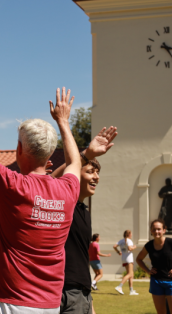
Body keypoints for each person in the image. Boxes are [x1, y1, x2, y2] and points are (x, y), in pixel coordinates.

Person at [0, 67, 82, 313]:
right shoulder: (68, 190)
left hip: (10, 302)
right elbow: (75, 162)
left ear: (19, 150)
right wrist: (64, 122)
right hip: (50, 304)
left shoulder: (12, 185)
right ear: (49, 155)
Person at [50, 127, 118, 313]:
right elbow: (50, 183)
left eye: (97, 173)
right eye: (90, 172)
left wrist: (89, 302)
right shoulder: (64, 204)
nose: (96, 177)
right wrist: (86, 154)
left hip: (81, 292)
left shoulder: (84, 211)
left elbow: (81, 258)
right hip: (64, 290)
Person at [136, 219, 172, 314]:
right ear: (151, 231)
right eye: (154, 229)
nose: (156, 231)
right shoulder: (149, 245)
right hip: (156, 282)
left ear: (164, 230)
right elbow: (139, 259)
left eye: (159, 229)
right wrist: (148, 271)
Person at [113, 230, 138, 295]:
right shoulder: (129, 240)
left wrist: (118, 252)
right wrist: (134, 247)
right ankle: (119, 286)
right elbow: (130, 249)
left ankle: (131, 291)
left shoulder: (121, 241)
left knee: (131, 275)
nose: (132, 235)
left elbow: (114, 246)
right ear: (129, 234)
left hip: (124, 259)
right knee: (130, 274)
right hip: (129, 259)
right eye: (131, 233)